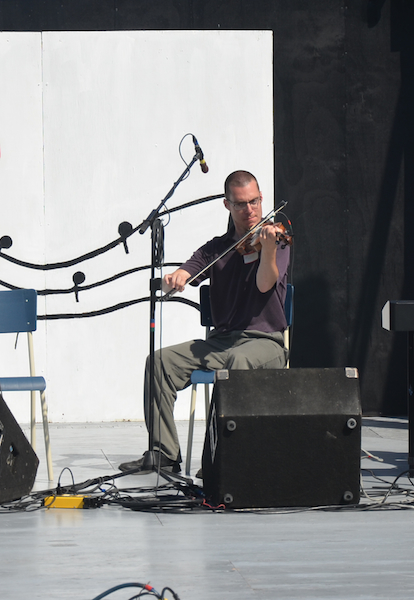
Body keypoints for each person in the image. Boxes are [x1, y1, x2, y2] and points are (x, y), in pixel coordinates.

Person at [119, 170, 290, 473]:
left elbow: (265, 286)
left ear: (262, 199)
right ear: (227, 205)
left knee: (238, 361)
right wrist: (178, 276)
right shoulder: (217, 247)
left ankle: (223, 454)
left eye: (254, 202)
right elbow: (190, 269)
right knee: (159, 362)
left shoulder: (277, 241)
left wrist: (267, 251)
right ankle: (164, 453)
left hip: (265, 343)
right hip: (221, 342)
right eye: (240, 204)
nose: (249, 210)